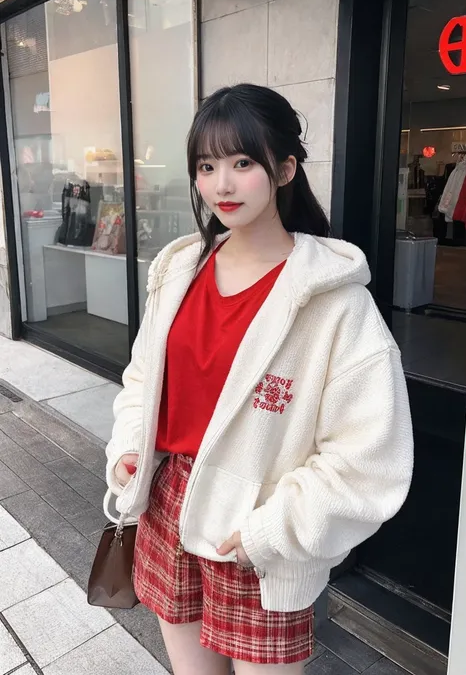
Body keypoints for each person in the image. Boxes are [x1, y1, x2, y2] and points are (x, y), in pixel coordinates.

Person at [104, 83, 413, 675]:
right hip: (169, 508)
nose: (222, 184)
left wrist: (273, 531)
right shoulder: (178, 271)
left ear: (286, 167)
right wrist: (128, 449)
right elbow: (144, 378)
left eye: (243, 162)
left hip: (255, 536)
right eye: (207, 165)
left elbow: (370, 458)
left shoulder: (333, 302)